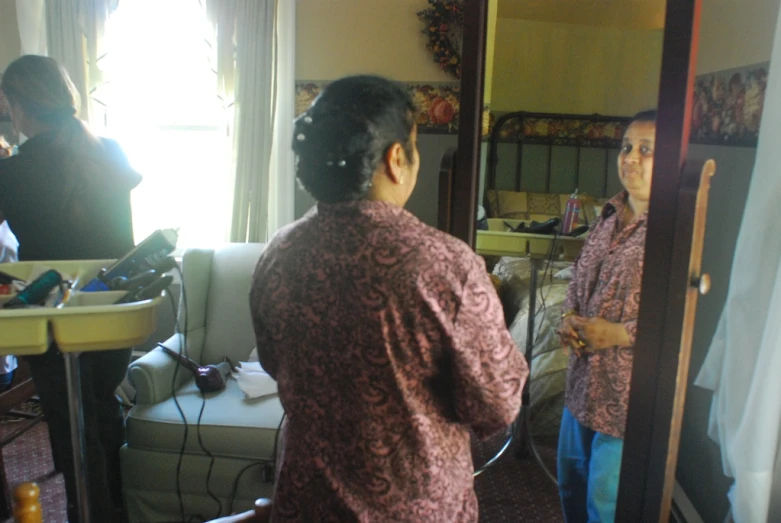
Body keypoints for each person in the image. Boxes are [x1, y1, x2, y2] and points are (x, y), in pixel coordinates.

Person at [249, 75, 528, 522]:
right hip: (413, 506)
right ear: (397, 158)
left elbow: (272, 360)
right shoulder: (446, 265)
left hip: (308, 501)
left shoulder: (279, 254)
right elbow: (494, 406)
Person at [0, 55, 142, 523]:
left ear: (18, 107)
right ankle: (119, 509)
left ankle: (91, 512)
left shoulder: (15, 172)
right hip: (113, 306)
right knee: (101, 411)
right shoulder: (110, 150)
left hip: (54, 313)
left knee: (70, 425)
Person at [556, 109, 656, 523]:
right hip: (581, 386)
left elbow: (682, 320)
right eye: (626, 147)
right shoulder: (608, 215)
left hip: (625, 397)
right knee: (570, 483)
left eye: (646, 150)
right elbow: (578, 280)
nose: (630, 157)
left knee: (605, 503)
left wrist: (618, 333)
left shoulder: (672, 228)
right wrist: (567, 317)